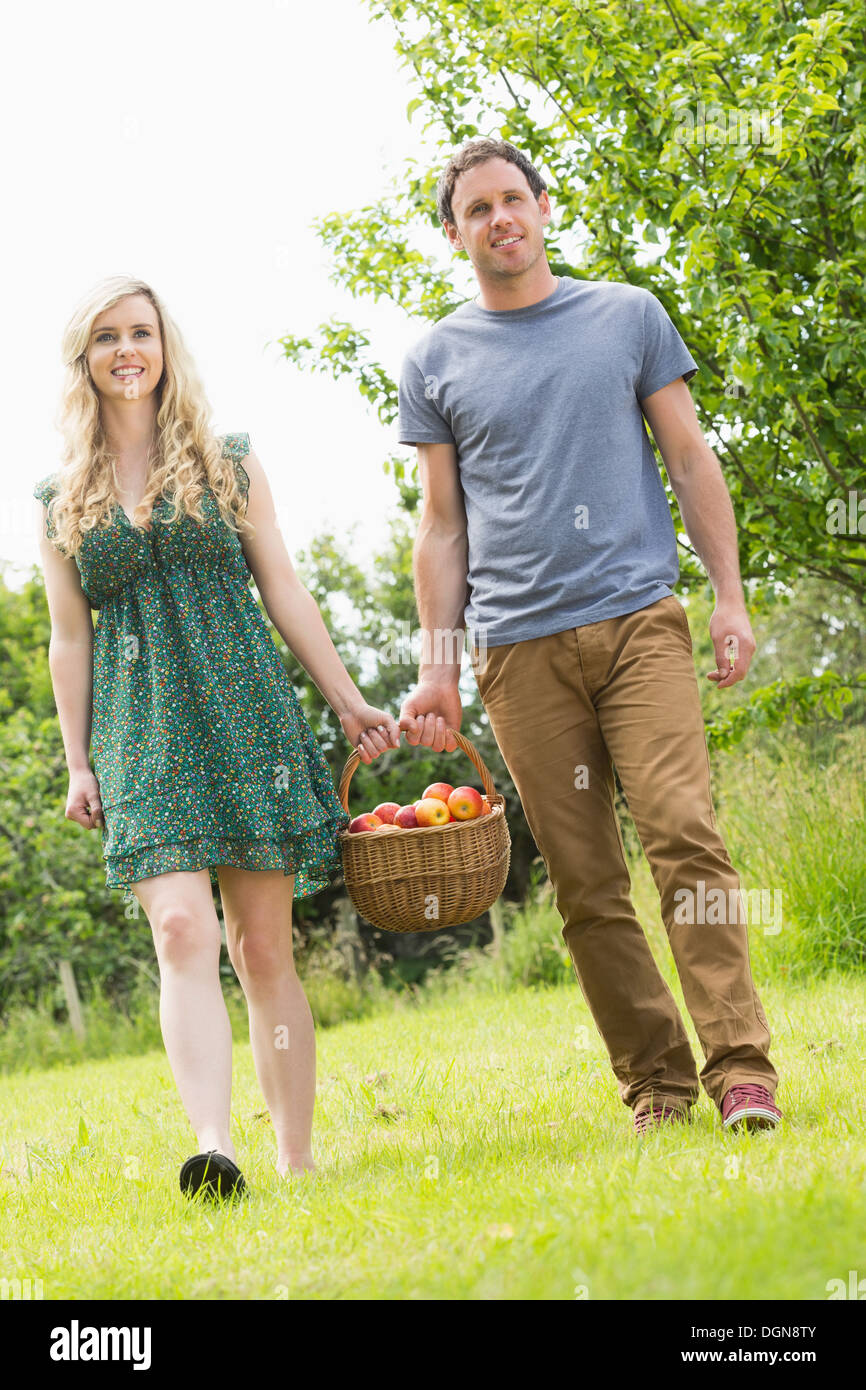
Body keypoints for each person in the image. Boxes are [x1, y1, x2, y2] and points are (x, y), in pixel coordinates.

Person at [396, 138, 782, 1136]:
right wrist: (435, 670)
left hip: (637, 626)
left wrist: (728, 597)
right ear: (453, 234)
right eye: (474, 210)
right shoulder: (436, 358)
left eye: (510, 201)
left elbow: (689, 459)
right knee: (583, 881)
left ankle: (739, 1067)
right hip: (518, 654)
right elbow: (441, 525)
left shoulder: (625, 316)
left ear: (542, 207)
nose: (497, 220)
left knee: (683, 839)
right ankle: (656, 1080)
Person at [33, 275, 401, 1200]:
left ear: (165, 348)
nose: (128, 350)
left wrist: (349, 701)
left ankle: (297, 1155)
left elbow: (283, 586)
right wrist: (78, 760)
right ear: (85, 359)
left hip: (245, 716)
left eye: (142, 334)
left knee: (263, 946)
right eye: (108, 337)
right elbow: (68, 636)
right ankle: (214, 1146)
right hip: (138, 730)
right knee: (181, 927)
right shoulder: (59, 500)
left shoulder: (226, 461)